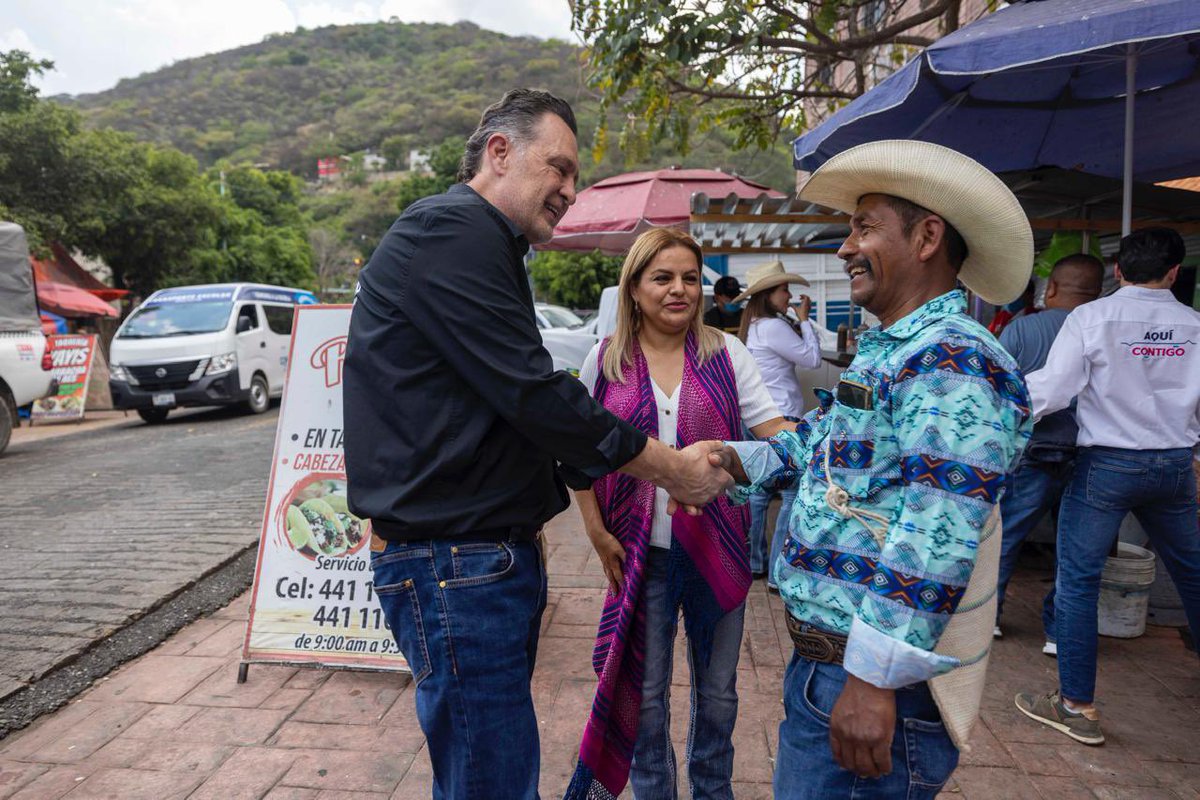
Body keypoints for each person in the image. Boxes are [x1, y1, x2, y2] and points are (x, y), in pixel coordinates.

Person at [342, 89, 732, 800]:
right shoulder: (453, 231)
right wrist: (671, 468)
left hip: (475, 558)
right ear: (499, 151)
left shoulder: (486, 245)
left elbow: (507, 404)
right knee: (490, 782)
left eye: (575, 177)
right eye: (558, 168)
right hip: (452, 564)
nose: (570, 191)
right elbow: (536, 396)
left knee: (481, 773)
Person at [712, 140, 1034, 798]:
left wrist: (872, 678)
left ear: (927, 237)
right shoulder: (900, 349)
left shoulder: (952, 358)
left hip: (863, 681)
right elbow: (818, 449)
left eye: (864, 227)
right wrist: (721, 460)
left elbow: (938, 525)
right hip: (828, 670)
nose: (844, 248)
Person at [564, 228, 789, 800]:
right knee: (645, 696)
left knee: (718, 697)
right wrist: (594, 529)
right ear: (634, 287)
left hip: (719, 548)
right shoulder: (606, 359)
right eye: (662, 277)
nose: (679, 290)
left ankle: (713, 791)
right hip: (642, 558)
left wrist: (834, 439)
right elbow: (579, 452)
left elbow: (773, 432)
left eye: (691, 278)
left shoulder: (726, 353)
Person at [1016, 227, 1200, 747]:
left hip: (1107, 467)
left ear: (1118, 271)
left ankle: (1076, 706)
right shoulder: (1194, 325)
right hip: (1173, 467)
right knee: (1193, 575)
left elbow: (1051, 391)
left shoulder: (1092, 317)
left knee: (1078, 581)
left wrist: (997, 413)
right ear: (1173, 274)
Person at [993, 254, 1104, 650]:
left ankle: (989, 618)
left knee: (1006, 535)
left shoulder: (1022, 329)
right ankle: (1059, 633)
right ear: (1099, 292)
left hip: (1032, 450)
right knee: (1074, 548)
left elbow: (997, 392)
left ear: (1051, 288)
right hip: (1092, 454)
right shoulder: (1102, 330)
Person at [734, 260, 823, 587]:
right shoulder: (773, 327)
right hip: (783, 420)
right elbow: (812, 358)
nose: (789, 295)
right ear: (768, 294)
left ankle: (755, 564)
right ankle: (776, 574)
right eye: (784, 289)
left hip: (759, 419)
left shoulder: (755, 326)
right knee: (791, 495)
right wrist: (804, 321)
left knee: (759, 495)